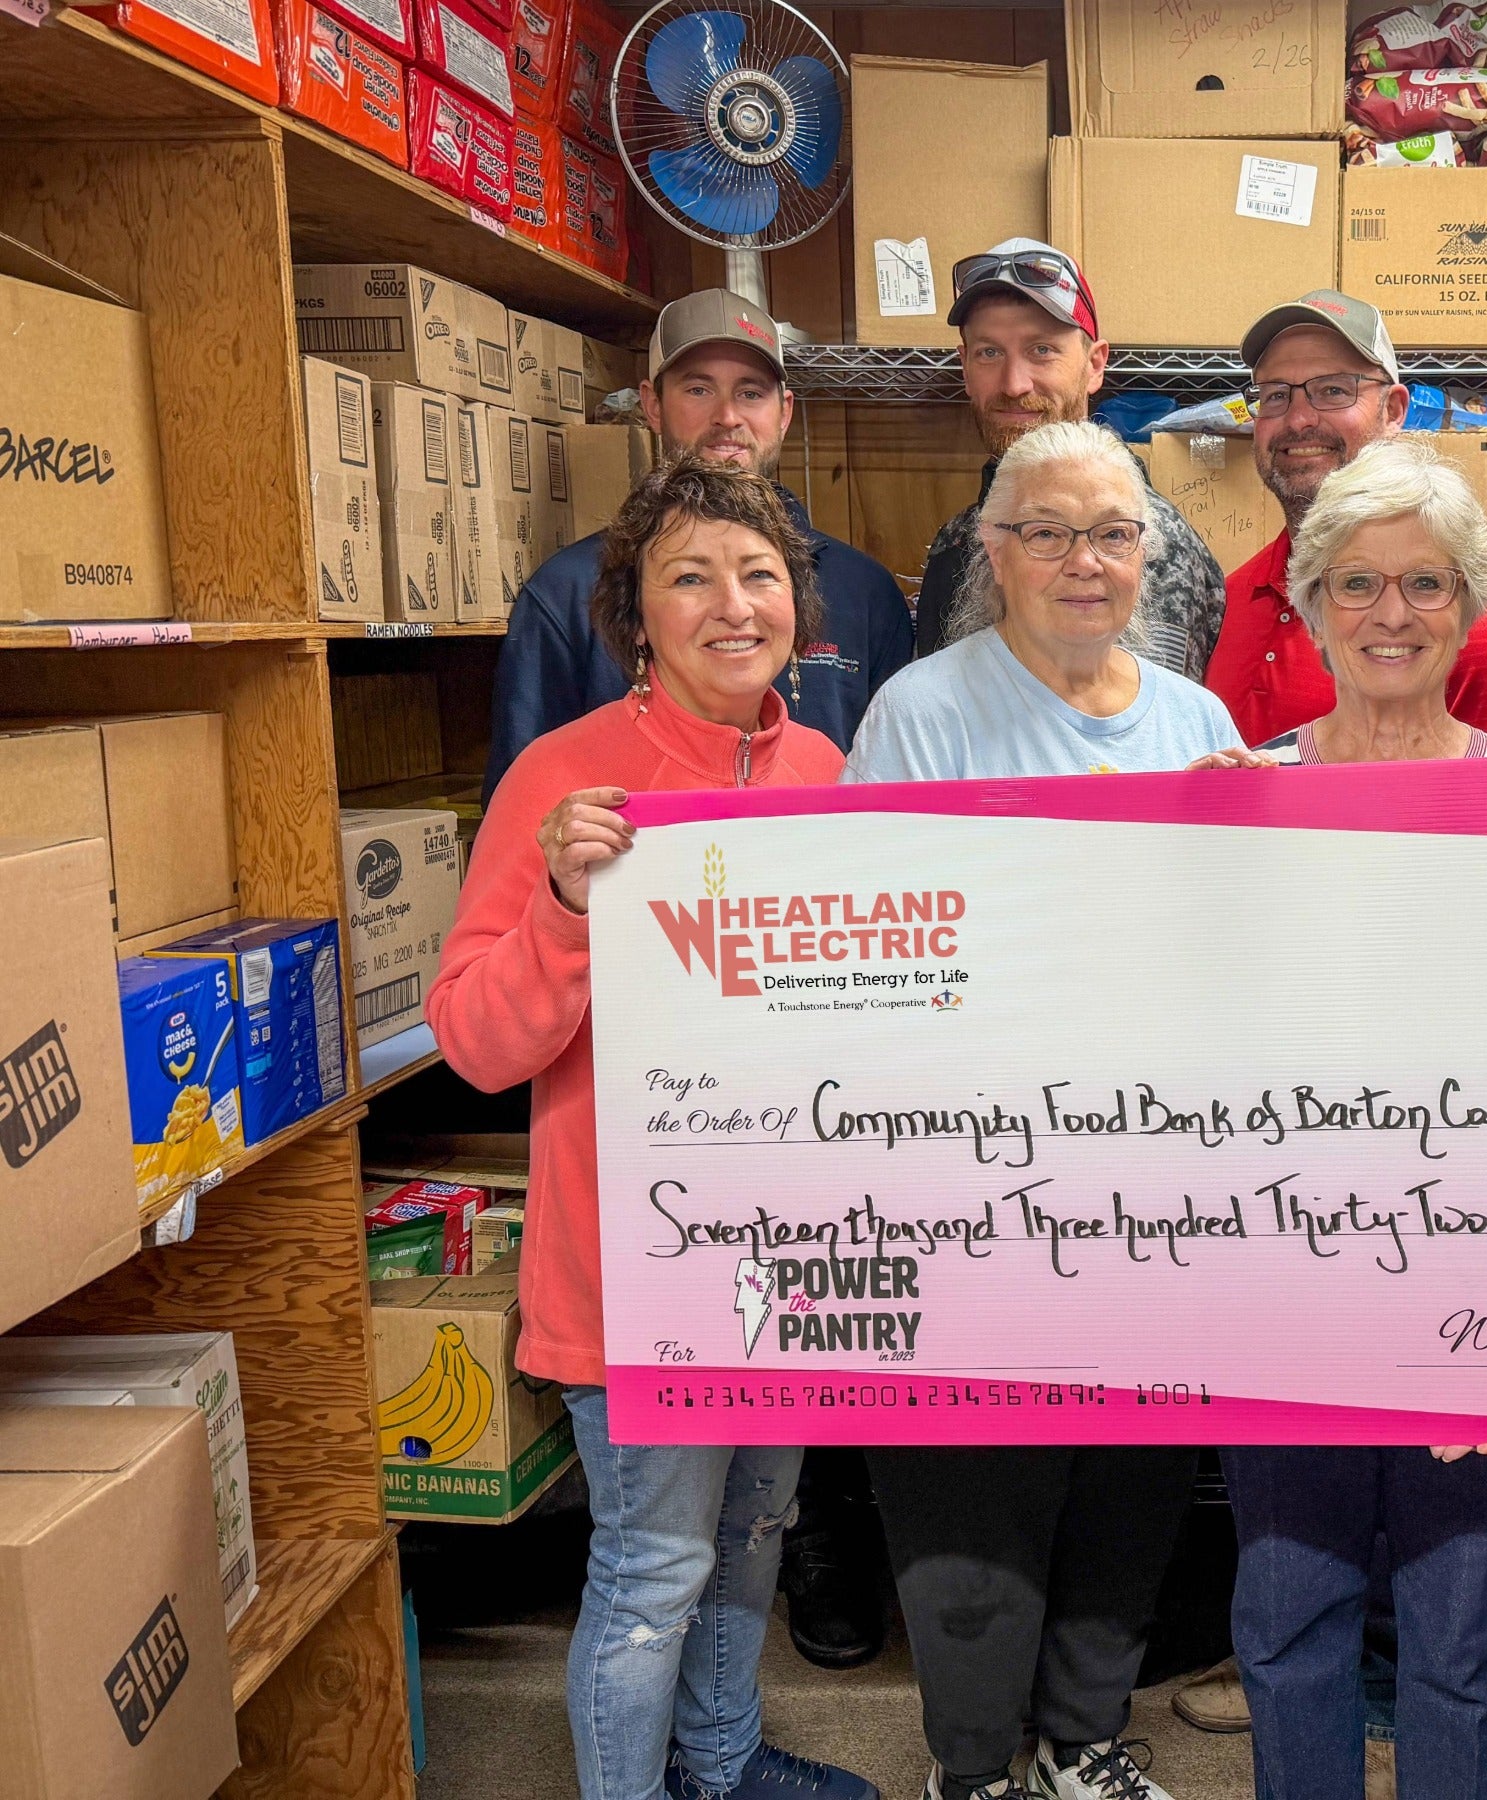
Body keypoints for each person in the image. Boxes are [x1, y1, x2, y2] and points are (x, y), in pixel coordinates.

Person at [428, 456, 877, 1800]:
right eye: (690, 577)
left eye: (757, 576)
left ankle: (721, 1763)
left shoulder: (825, 767)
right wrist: (566, 909)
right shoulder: (566, 782)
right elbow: (474, 1040)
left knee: (752, 1532)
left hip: (789, 1250)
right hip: (637, 1268)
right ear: (636, 613)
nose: (731, 606)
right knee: (648, 1569)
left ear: (798, 604)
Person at [842, 420, 1245, 1800]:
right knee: (977, 1482)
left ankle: (1084, 1738)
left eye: (1116, 534)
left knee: (1129, 1481)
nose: (1089, 562)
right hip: (975, 1181)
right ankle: (971, 1761)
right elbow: (867, 954)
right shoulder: (922, 713)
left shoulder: (1197, 722)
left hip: (1158, 1179)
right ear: (995, 555)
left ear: (1149, 555)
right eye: (1053, 533)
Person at [1214, 441, 1487, 1800]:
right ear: (1306, 603)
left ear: (1472, 604)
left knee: (1465, 1636)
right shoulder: (1235, 796)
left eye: (1426, 583)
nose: (1392, 614)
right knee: (1290, 1622)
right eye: (1357, 583)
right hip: (1285, 1275)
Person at [484, 288, 913, 802]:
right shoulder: (565, 594)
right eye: (698, 390)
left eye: (751, 392)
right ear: (652, 405)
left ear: (785, 412)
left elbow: (894, 812)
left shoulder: (865, 591)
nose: (727, 416)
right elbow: (523, 812)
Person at [1201, 292, 1487, 753]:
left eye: (1333, 390)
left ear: (1393, 411)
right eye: (1275, 396)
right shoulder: (1229, 601)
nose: (1300, 418)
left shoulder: (1484, 638)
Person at [914, 238, 1228, 680]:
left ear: (1094, 365)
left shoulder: (1146, 543)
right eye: (990, 352)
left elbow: (1142, 736)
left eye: (1041, 350)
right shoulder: (956, 541)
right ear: (965, 366)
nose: (1014, 383)